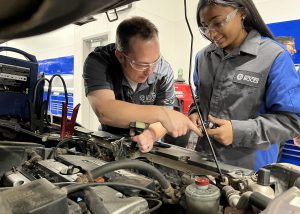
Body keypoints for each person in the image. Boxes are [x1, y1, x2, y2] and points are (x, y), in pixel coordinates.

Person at [189, 0, 300, 170]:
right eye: (204, 26)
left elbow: (292, 121)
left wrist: (238, 132)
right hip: (203, 161)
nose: (211, 33)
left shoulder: (274, 56)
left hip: (250, 172)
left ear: (242, 13)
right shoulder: (203, 57)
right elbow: (199, 97)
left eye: (218, 23)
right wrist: (195, 111)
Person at [83, 16, 200, 153]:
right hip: (110, 140)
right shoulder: (99, 62)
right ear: (120, 56)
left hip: (146, 144)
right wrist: (161, 113)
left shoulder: (163, 71)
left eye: (155, 61)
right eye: (142, 64)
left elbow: (163, 120)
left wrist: (151, 134)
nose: (150, 71)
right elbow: (105, 111)